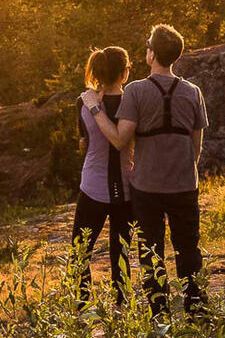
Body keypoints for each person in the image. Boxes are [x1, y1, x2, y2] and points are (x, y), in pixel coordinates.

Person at [82, 23, 208, 320]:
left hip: (147, 188)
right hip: (184, 185)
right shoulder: (193, 92)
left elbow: (118, 139)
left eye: (148, 46)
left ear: (151, 55)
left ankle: (160, 316)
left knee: (152, 254)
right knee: (188, 250)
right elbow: (197, 148)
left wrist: (95, 109)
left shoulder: (136, 91)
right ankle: (197, 313)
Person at [72, 45, 134, 304]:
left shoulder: (83, 102)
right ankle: (123, 308)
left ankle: (82, 307)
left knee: (80, 252)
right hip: (128, 188)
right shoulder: (133, 102)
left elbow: (84, 143)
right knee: (121, 252)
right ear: (125, 72)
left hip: (92, 187)